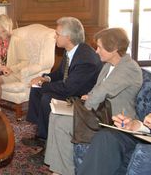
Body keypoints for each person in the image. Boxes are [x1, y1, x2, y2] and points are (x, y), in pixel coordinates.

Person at [44, 28, 143, 175]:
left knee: (61, 121)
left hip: (116, 122)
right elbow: (96, 89)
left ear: (114, 49)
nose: (96, 51)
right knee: (56, 116)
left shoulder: (129, 68)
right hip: (99, 113)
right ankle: (60, 170)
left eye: (100, 47)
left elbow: (103, 91)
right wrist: (88, 97)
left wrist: (84, 107)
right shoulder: (109, 65)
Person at [24, 17, 102, 142]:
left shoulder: (85, 59)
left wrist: (43, 85)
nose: (55, 37)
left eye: (57, 34)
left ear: (68, 37)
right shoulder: (70, 50)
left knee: (47, 98)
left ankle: (47, 140)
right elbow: (61, 73)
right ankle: (40, 132)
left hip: (81, 98)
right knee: (36, 90)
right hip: (71, 88)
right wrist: (46, 79)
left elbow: (68, 89)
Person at [0, 14, 29, 111]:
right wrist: (0, 67)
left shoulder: (17, 41)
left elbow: (25, 61)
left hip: (13, 73)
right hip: (0, 71)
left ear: (4, 26)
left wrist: (10, 69)